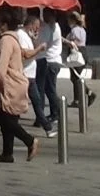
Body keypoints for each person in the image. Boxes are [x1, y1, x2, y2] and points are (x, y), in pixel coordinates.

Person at [0, 9, 39, 163]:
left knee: (4, 119)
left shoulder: (6, 40)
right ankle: (7, 153)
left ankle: (30, 141)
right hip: (15, 83)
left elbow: (3, 62)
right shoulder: (13, 39)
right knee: (7, 117)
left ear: (4, 25)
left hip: (10, 84)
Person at [17, 11, 47, 132]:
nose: (37, 30)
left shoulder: (27, 36)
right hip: (25, 74)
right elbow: (26, 54)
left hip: (30, 74)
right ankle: (46, 126)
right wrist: (39, 48)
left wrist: (34, 40)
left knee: (36, 101)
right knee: (30, 100)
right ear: (30, 25)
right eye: (36, 27)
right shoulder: (21, 35)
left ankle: (45, 125)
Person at [36, 9, 63, 137]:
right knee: (48, 89)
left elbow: (46, 41)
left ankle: (56, 113)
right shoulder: (52, 26)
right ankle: (54, 113)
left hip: (52, 61)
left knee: (50, 89)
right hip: (51, 60)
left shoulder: (53, 27)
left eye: (47, 15)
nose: (45, 18)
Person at [64, 12, 96, 109]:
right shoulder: (81, 29)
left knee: (76, 78)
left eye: (69, 20)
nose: (68, 22)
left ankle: (88, 94)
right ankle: (77, 99)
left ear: (73, 20)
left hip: (77, 54)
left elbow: (76, 42)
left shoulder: (75, 30)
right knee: (75, 77)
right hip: (82, 53)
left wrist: (69, 42)